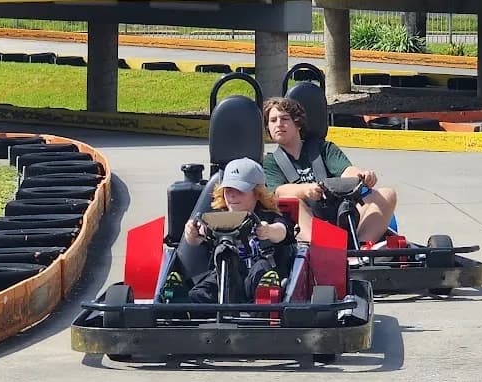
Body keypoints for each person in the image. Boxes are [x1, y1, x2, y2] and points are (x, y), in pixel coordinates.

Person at [261, 97, 397, 243]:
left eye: (284, 119)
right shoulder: (270, 162)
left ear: (298, 123)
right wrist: (306, 190)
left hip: (340, 213)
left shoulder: (324, 149)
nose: (279, 124)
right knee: (292, 202)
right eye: (273, 120)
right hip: (307, 223)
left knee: (387, 194)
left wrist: (361, 176)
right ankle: (325, 248)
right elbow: (279, 191)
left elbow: (347, 171)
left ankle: (361, 249)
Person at [164, 157, 297, 304]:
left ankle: (264, 303)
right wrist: (192, 233)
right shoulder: (216, 218)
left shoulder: (271, 216)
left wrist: (268, 231)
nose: (232, 195)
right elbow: (197, 237)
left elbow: (283, 231)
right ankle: (183, 304)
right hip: (224, 277)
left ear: (257, 193)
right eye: (228, 190)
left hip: (256, 280)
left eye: (239, 190)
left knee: (261, 268)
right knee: (208, 284)